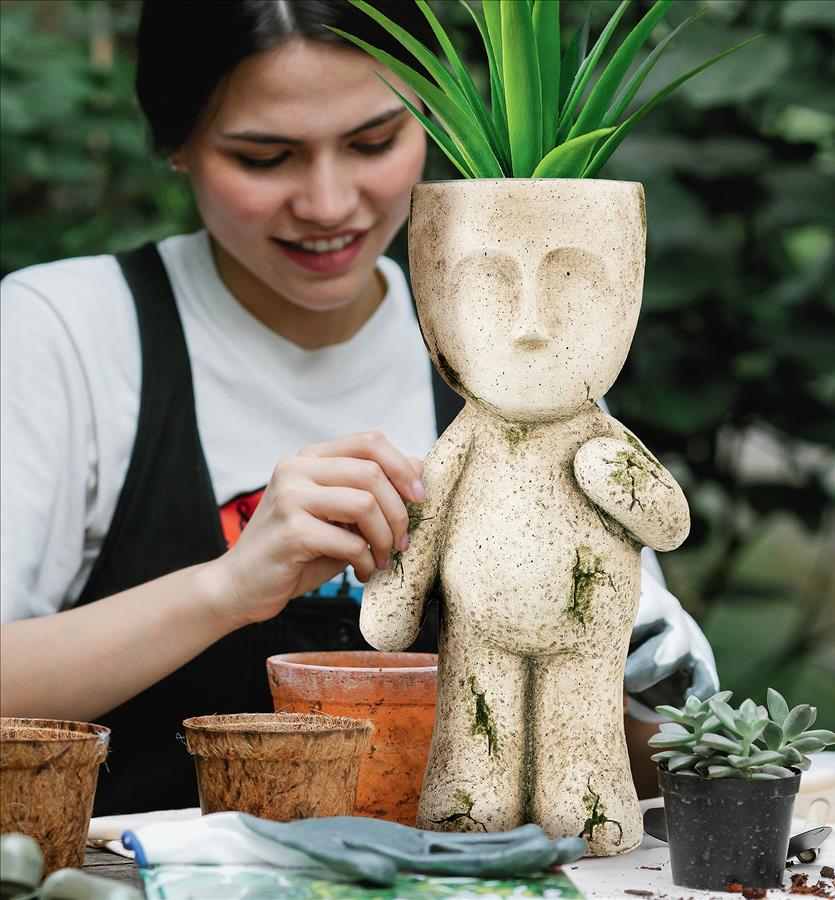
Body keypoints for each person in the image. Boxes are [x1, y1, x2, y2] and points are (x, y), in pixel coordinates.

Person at [0, 0, 716, 815]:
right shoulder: (66, 330)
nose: (330, 203)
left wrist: (642, 679)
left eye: (375, 142)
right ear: (176, 146)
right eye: (266, 157)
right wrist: (227, 589)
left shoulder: (513, 344)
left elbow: (646, 751)